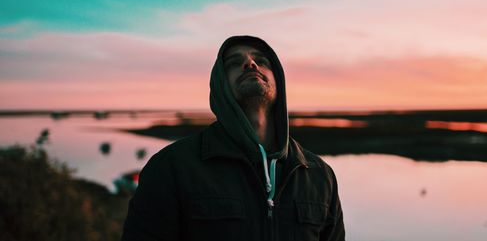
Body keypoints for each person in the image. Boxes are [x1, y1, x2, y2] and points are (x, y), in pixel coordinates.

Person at [121, 36, 345, 241]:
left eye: (261, 61)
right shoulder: (172, 167)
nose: (250, 64)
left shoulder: (319, 175)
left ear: (279, 81)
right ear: (219, 86)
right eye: (234, 63)